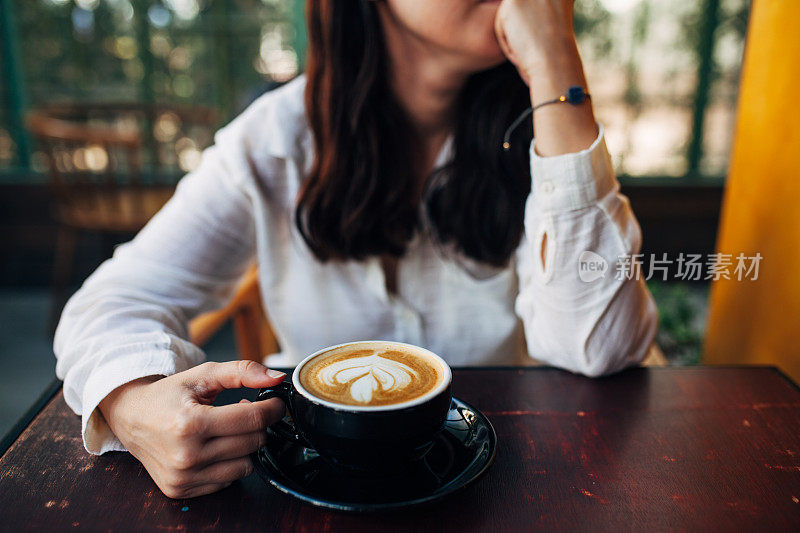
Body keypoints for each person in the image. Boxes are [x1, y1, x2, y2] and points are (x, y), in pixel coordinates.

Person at [54, 0, 658, 498]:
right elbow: (117, 297)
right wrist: (132, 403)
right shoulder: (277, 138)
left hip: (495, 487)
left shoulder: (546, 136)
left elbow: (597, 348)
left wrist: (558, 67)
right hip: (304, 478)